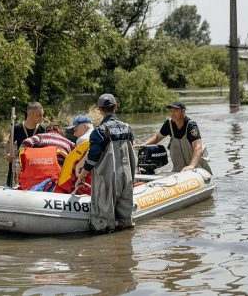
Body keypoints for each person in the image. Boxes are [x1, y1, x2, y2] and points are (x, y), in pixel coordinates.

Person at [77, 94, 136, 232]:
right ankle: (125, 247)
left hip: (107, 178)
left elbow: (92, 158)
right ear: (116, 107)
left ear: (100, 109)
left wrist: (83, 174)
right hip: (126, 177)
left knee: (102, 222)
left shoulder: (99, 131)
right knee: (126, 222)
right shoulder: (127, 128)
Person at [143, 101, 212, 174]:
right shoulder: (168, 124)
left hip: (197, 169)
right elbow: (157, 137)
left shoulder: (191, 125)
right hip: (179, 171)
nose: (172, 113)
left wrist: (191, 166)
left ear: (183, 111)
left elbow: (198, 147)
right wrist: (144, 145)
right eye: (171, 111)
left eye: (176, 111)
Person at [54, 115, 94, 195]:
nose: (75, 134)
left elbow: (77, 165)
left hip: (86, 183)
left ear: (85, 126)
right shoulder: (97, 136)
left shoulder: (83, 139)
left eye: (76, 130)